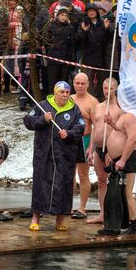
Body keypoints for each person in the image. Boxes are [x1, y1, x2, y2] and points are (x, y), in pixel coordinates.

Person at [23, 81, 85, 231]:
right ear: (55, 92)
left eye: (67, 92)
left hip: (64, 156)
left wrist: (68, 133)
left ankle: (60, 219)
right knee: (41, 184)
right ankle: (35, 218)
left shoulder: (74, 109)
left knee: (63, 185)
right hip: (43, 153)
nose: (64, 95)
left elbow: (81, 127)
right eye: (61, 92)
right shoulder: (43, 105)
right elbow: (28, 121)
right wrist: (43, 120)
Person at [101, 102, 136, 234]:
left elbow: (133, 139)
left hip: (128, 159)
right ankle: (116, 224)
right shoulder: (123, 115)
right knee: (116, 192)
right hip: (118, 159)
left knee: (127, 192)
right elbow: (120, 131)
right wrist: (111, 122)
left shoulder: (130, 116)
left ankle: (133, 225)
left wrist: (123, 159)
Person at [86, 78, 123, 224]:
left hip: (112, 149)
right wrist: (90, 149)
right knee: (101, 181)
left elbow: (120, 131)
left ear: (116, 89)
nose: (107, 91)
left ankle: (114, 214)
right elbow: (95, 130)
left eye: (111, 89)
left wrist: (112, 151)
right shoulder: (98, 107)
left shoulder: (120, 109)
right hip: (98, 149)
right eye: (105, 88)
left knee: (114, 182)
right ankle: (102, 213)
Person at [70, 73, 99, 219]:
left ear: (88, 84)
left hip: (84, 140)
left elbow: (96, 126)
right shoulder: (69, 99)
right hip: (69, 140)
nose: (80, 86)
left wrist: (91, 148)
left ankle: (82, 208)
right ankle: (67, 205)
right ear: (73, 84)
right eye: (77, 83)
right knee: (69, 175)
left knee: (83, 175)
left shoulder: (92, 102)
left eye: (83, 83)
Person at [77, 3, 111, 99]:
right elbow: (79, 40)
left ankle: (100, 99)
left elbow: (106, 40)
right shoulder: (84, 23)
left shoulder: (102, 23)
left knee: (101, 80)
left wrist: (106, 29)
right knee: (89, 80)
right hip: (88, 57)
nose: (91, 13)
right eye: (89, 11)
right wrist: (84, 31)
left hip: (101, 57)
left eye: (93, 10)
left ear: (96, 11)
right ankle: (89, 99)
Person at [44, 8, 76, 89]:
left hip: (65, 60)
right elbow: (46, 41)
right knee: (53, 83)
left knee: (64, 84)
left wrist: (71, 59)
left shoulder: (70, 28)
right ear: (57, 15)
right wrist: (49, 54)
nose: (63, 17)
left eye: (66, 15)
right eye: (62, 15)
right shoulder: (51, 26)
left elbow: (72, 45)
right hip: (53, 59)